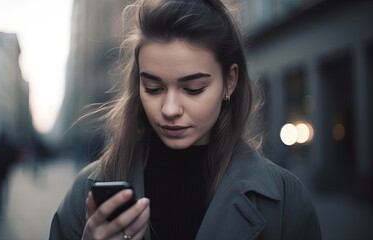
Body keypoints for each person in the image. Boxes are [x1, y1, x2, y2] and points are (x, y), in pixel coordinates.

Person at [50, 0, 322, 239]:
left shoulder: (285, 202)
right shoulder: (86, 193)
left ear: (230, 81)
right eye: (153, 88)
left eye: (193, 89)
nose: (169, 109)